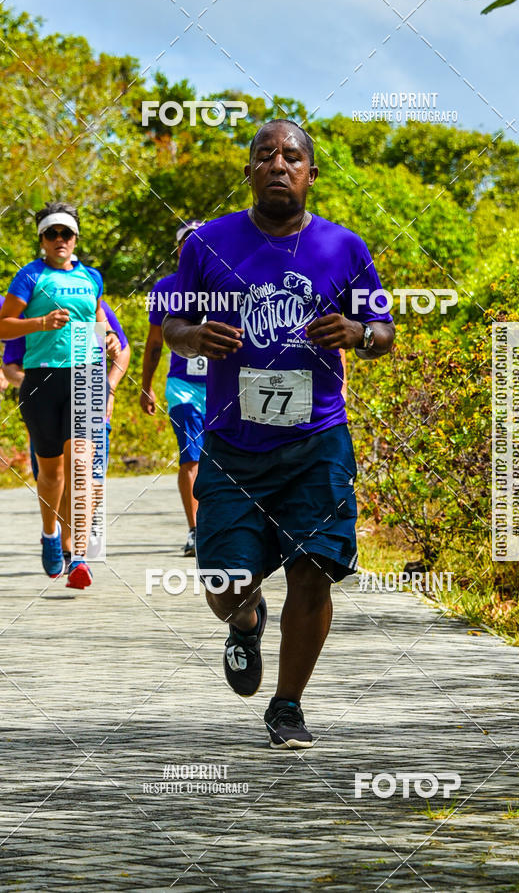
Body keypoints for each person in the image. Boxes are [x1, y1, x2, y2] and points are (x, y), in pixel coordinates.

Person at [163, 120, 394, 749]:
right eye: (264, 155)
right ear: (249, 171)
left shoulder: (345, 248)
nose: (277, 164)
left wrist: (357, 334)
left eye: (291, 157)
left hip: (317, 438)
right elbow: (173, 324)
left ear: (310, 173)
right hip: (234, 443)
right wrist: (193, 338)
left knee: (314, 571)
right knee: (223, 581)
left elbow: (383, 330)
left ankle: (287, 706)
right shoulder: (207, 244)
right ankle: (244, 619)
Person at [0, 201, 110, 588]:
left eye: (66, 233)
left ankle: (79, 556)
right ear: (42, 240)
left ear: (76, 238)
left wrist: (108, 339)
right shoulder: (30, 277)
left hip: (86, 376)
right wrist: (41, 322)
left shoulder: (91, 277)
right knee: (52, 472)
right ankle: (50, 535)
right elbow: (3, 327)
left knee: (80, 462)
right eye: (52, 233)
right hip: (42, 380)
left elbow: (98, 321)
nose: (60, 239)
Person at [2, 298, 130, 562]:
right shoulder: (35, 312)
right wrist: (36, 387)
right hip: (47, 408)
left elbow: (122, 350)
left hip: (90, 397)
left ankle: (76, 547)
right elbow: (11, 366)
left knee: (91, 475)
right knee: (56, 479)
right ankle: (63, 539)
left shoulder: (93, 309)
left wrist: (111, 388)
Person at [140, 220, 207, 556]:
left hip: (225, 386)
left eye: (200, 240)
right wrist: (146, 386)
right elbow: (154, 342)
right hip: (183, 386)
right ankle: (196, 531)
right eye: (186, 241)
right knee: (190, 458)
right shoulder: (165, 288)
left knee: (231, 458)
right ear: (179, 249)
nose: (193, 246)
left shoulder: (227, 281)